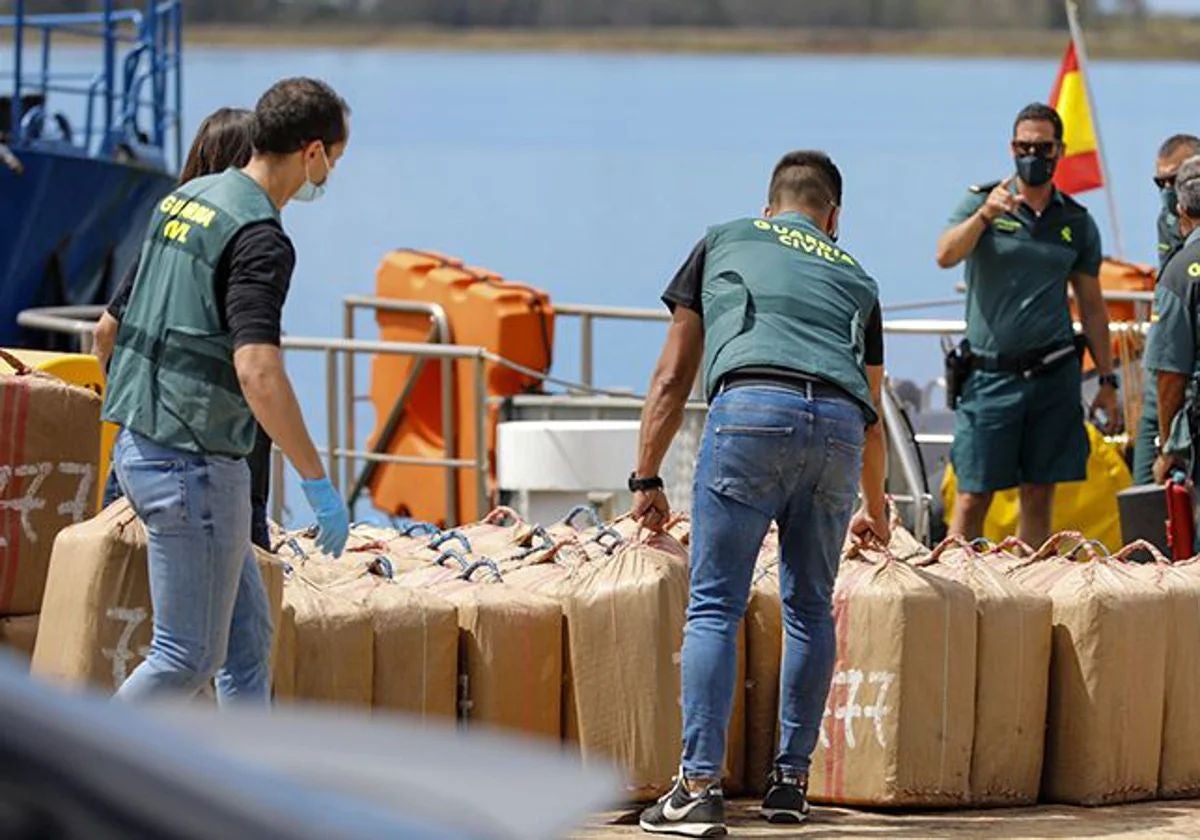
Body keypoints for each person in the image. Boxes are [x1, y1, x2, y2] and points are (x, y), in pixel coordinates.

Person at [631, 151, 888, 837]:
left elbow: (672, 374)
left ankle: (698, 787)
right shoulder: (855, 275)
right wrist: (878, 506)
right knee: (809, 607)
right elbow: (874, 406)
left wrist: (647, 477)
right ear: (833, 217)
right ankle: (790, 784)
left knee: (714, 602)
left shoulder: (723, 239)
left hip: (752, 410)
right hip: (838, 428)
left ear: (769, 206)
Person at [101, 77, 352, 703]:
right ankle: (56, 779)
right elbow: (258, 372)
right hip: (195, 468)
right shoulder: (260, 237)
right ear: (313, 152)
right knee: (184, 656)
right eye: (335, 162)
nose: (328, 177)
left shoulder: (186, 201)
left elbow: (110, 330)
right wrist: (317, 482)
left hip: (139, 443)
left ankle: (246, 787)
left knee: (245, 644)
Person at [94, 108, 277, 553]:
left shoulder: (168, 231)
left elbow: (105, 332)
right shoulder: (242, 238)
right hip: (217, 465)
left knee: (125, 600)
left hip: (136, 453)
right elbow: (256, 369)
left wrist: (134, 401)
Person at [935, 102, 1118, 547]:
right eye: (1023, 146)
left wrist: (1108, 381)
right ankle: (955, 594)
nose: (1032, 154)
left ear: (1059, 151)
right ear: (1011, 148)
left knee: (1039, 493)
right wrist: (984, 218)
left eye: (1042, 147)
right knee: (973, 495)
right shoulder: (983, 201)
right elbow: (945, 254)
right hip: (990, 375)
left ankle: (1026, 589)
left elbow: (1092, 306)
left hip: (1052, 374)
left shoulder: (1075, 221)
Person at [1131, 134, 1200, 484]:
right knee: (1149, 485)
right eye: (1159, 182)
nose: (1166, 191)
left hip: (1183, 379)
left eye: (1174, 181)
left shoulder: (1184, 267)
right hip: (1167, 379)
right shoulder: (1167, 220)